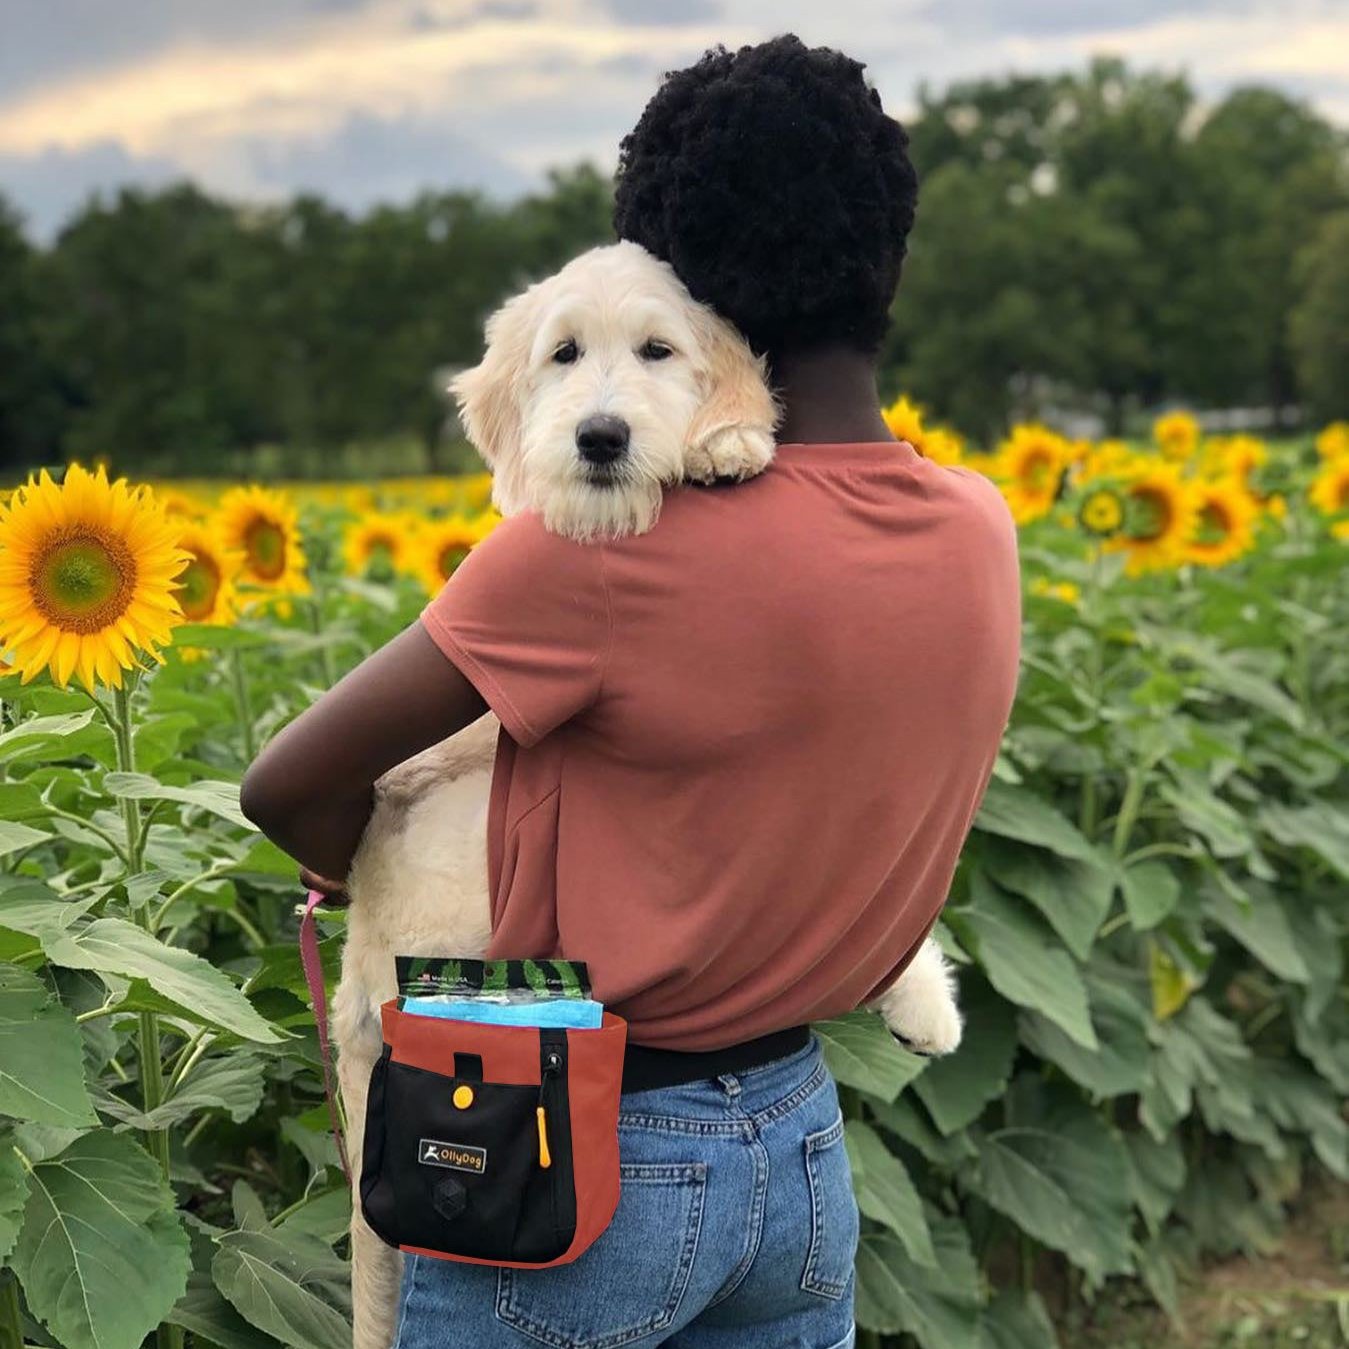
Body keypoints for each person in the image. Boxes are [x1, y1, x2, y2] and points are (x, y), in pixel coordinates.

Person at [242, 33, 1021, 1349]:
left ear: (679, 292)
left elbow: (288, 782)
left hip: (561, 1145)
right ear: (891, 260)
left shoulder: (600, 552)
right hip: (799, 1143)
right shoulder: (975, 529)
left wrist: (379, 865)